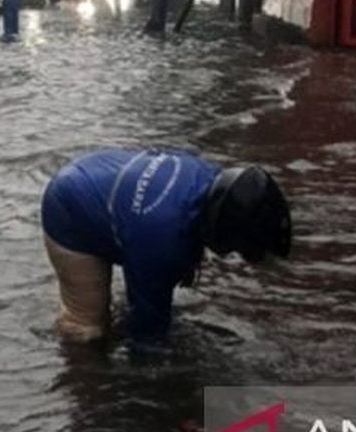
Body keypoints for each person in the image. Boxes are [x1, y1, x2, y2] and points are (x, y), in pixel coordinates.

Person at [40, 149, 292, 348]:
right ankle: (79, 381)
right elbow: (147, 329)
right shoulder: (162, 240)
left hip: (98, 170)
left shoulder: (207, 174)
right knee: (87, 330)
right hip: (69, 207)